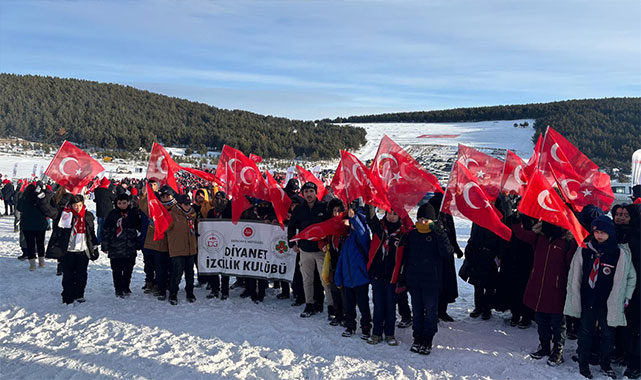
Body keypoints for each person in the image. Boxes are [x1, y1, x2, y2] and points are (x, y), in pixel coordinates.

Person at [564, 215, 637, 379]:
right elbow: (575, 274)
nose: (599, 235)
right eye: (596, 232)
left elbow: (631, 277)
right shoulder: (585, 249)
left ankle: (605, 363)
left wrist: (626, 297)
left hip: (608, 302)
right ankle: (583, 364)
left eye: (603, 232)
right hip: (588, 300)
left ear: (610, 233)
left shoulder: (619, 253)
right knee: (585, 332)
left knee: (608, 335)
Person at [511, 217, 576, 366]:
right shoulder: (539, 237)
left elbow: (571, 267)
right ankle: (545, 347)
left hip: (557, 290)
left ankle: (557, 351)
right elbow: (521, 234)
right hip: (538, 287)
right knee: (541, 320)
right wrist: (515, 220)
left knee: (558, 323)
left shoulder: (567, 242)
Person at [399, 203, 453, 355]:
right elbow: (406, 258)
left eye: (426, 220)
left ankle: (427, 339)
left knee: (430, 311)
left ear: (432, 221)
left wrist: (441, 233)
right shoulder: (412, 235)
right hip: (415, 281)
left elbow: (447, 252)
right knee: (417, 311)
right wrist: (405, 278)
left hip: (431, 281)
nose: (422, 222)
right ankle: (417, 338)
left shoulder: (437, 235)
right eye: (420, 219)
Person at [288, 181, 332, 318]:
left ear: (315, 193)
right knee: (307, 280)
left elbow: (331, 226)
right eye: (306, 192)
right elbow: (291, 227)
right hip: (305, 250)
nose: (309, 194)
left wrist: (328, 243)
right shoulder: (299, 209)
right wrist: (292, 244)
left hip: (320, 250)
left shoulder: (324, 207)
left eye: (311, 192)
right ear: (303, 194)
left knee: (325, 280)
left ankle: (331, 307)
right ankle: (309, 304)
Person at [48, 195, 99, 304]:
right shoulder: (65, 215)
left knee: (81, 274)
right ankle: (67, 295)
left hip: (83, 250)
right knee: (68, 274)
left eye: (80, 205)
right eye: (75, 205)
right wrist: (42, 197)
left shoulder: (88, 216)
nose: (78, 208)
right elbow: (49, 211)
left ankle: (79, 294)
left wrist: (94, 245)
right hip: (68, 250)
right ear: (71, 205)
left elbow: (91, 232)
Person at [365, 204, 404, 345]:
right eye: (389, 213)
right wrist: (370, 202)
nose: (391, 216)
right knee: (378, 304)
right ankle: (376, 333)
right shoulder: (380, 228)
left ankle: (389, 333)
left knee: (390, 306)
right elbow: (370, 217)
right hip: (378, 274)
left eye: (394, 214)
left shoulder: (403, 233)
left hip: (393, 277)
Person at [612, 204, 641, 379]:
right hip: (617, 286)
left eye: (625, 215)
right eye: (618, 214)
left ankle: (635, 362)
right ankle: (621, 351)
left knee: (635, 326)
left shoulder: (636, 236)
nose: (621, 217)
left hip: (636, 289)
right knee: (620, 322)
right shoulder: (612, 233)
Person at [334, 206, 371, 339]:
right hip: (347, 280)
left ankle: (366, 326)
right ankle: (350, 326)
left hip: (361, 279)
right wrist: (338, 279)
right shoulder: (348, 239)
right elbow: (341, 261)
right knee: (348, 306)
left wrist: (354, 218)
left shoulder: (363, 237)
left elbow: (362, 231)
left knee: (363, 305)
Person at [428, 193, 464, 322]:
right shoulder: (431, 213)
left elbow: (451, 232)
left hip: (447, 254)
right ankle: (432, 311)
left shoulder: (446, 214)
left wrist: (456, 248)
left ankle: (442, 311)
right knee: (435, 284)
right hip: (434, 256)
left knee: (446, 283)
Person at [102, 193, 142, 298]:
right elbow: (106, 231)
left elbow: (139, 230)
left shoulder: (133, 214)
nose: (122, 205)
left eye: (124, 203)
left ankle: (126, 286)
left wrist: (138, 243)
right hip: (116, 247)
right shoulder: (112, 214)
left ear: (128, 203)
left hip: (129, 247)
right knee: (117, 270)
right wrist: (105, 245)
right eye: (119, 203)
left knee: (128, 269)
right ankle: (118, 288)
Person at [139, 184, 175, 301]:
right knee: (160, 269)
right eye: (163, 197)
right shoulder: (156, 207)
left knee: (172, 269)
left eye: (167, 196)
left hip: (172, 244)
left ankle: (171, 288)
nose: (165, 199)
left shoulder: (177, 208)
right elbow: (144, 208)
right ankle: (161, 289)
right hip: (159, 244)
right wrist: (144, 195)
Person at [166, 193, 198, 305]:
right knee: (177, 273)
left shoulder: (193, 214)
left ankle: (190, 292)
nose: (188, 206)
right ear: (179, 204)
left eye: (189, 203)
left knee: (190, 273)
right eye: (185, 204)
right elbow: (165, 229)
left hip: (190, 249)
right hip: (177, 249)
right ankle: (173, 294)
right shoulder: (172, 214)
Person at [17, 182, 52, 270]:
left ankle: (32, 264)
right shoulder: (39, 199)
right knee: (40, 243)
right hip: (40, 224)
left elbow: (19, 208)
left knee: (30, 244)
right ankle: (41, 262)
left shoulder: (23, 200)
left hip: (27, 225)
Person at [206, 190, 232, 300]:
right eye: (217, 199)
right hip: (214, 243)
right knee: (213, 266)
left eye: (222, 199)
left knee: (225, 268)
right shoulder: (211, 212)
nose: (219, 201)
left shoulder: (229, 212)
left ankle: (225, 290)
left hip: (226, 243)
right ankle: (214, 289)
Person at [93, 177, 115, 244]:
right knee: (107, 226)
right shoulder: (108, 191)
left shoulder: (96, 191)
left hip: (99, 210)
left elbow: (96, 199)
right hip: (108, 210)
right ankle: (106, 239)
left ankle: (99, 239)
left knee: (100, 226)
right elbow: (113, 198)